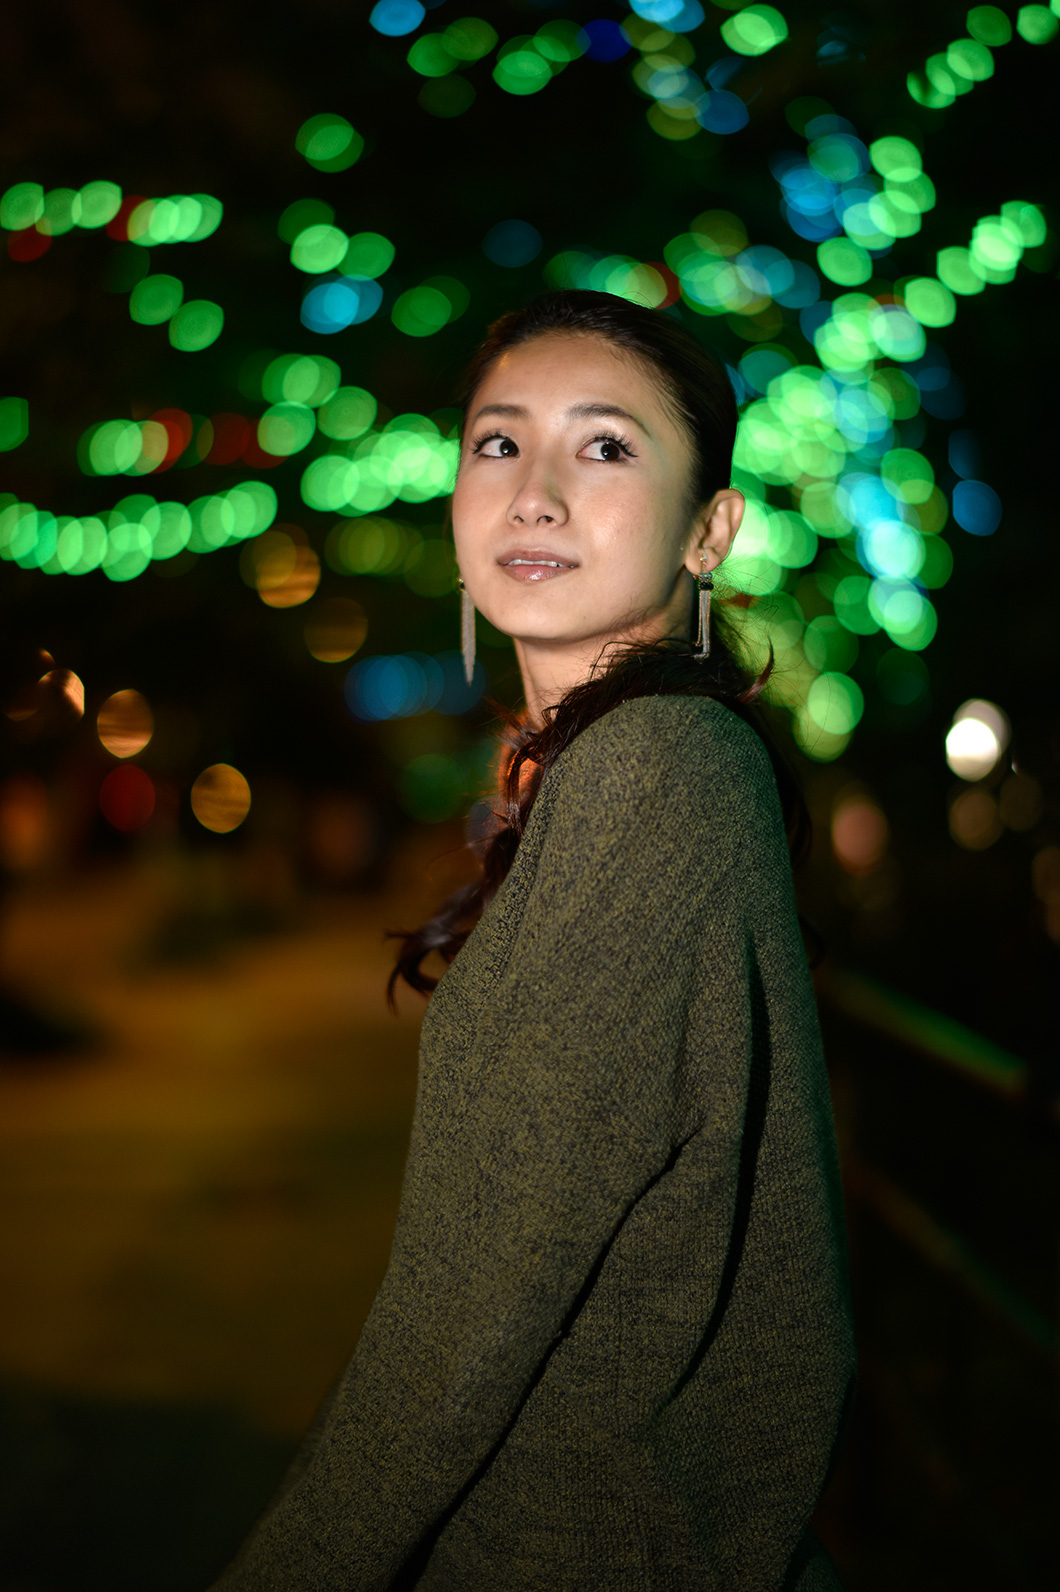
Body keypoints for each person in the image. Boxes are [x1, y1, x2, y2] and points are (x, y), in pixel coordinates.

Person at [210, 290, 857, 1591]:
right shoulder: (606, 770)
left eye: (606, 447)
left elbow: (475, 1298)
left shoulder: (659, 773)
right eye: (498, 444)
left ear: (709, 531)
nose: (535, 493)